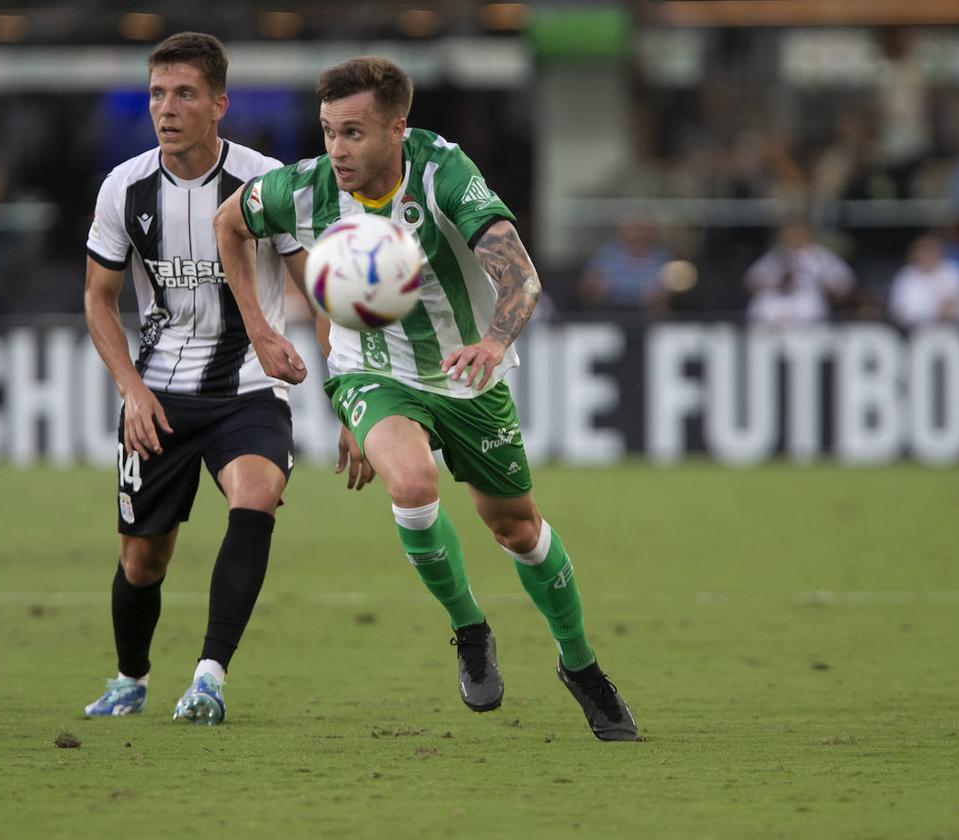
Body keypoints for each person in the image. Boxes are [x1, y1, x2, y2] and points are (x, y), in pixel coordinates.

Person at [214, 56, 639, 741]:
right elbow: (228, 225)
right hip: (370, 371)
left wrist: (495, 346)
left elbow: (521, 277)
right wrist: (260, 330)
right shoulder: (306, 187)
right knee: (411, 485)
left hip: (468, 376)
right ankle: (470, 629)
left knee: (519, 531)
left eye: (353, 133)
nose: (337, 150)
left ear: (396, 129)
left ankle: (580, 664)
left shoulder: (444, 173)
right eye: (328, 131)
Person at [82, 32, 306, 724]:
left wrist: (341, 386)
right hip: (160, 393)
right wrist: (131, 389)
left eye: (183, 94)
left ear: (219, 104)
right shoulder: (125, 188)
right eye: (157, 94)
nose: (166, 108)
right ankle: (131, 676)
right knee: (143, 561)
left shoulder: (266, 180)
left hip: (246, 384)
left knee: (257, 495)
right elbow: (98, 299)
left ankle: (209, 676)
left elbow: (315, 288)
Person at [745, 219, 855, 327]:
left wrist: (826, 287)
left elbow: (844, 282)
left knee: (810, 304)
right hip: (777, 307)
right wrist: (778, 283)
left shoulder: (821, 257)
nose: (794, 237)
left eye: (798, 233)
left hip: (808, 305)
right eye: (790, 233)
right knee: (764, 303)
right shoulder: (775, 256)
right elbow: (752, 280)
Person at [578, 214, 670, 313]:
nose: (637, 234)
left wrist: (662, 292)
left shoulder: (661, 256)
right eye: (633, 229)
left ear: (651, 232)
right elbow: (585, 286)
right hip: (610, 307)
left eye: (641, 229)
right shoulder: (606, 253)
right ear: (622, 231)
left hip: (649, 310)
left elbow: (672, 287)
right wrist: (595, 287)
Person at [888, 235, 959, 328]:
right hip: (913, 330)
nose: (926, 254)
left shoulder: (953, 270)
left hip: (953, 327)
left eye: (930, 250)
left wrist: (949, 308)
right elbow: (897, 309)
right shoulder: (905, 275)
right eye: (922, 251)